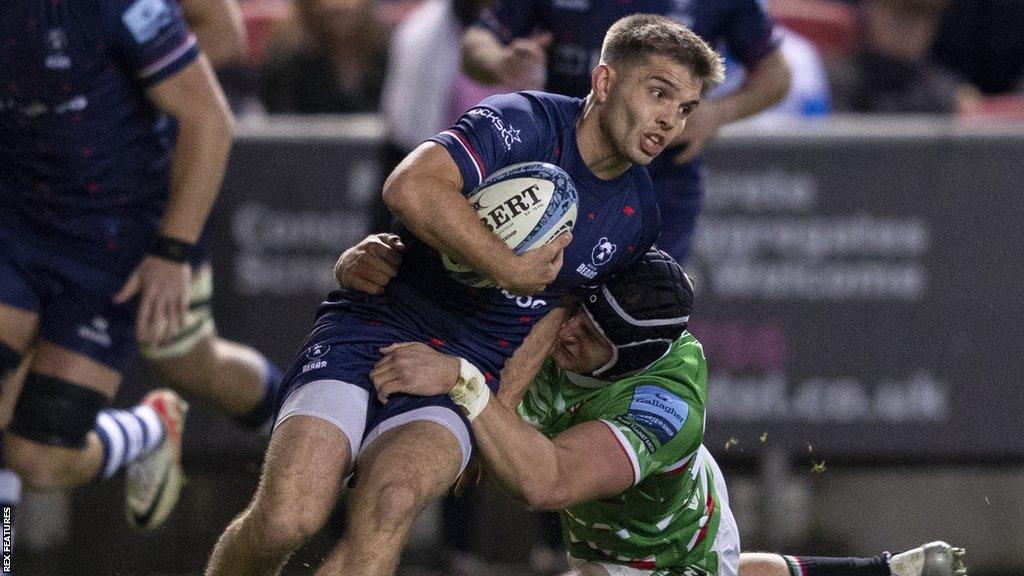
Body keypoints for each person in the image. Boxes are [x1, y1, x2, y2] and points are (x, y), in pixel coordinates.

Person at [204, 14, 725, 576]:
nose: (670, 120)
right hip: (377, 323)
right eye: (660, 94)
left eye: (686, 108)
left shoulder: (640, 214)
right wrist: (510, 268)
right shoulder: (520, 121)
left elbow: (559, 312)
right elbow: (409, 185)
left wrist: (496, 411)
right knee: (288, 519)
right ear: (603, 83)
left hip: (467, 367)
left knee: (390, 503)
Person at [354, 245, 968, 576]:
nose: (569, 337)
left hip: (655, 550)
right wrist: (372, 260)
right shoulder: (563, 312)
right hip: (684, 513)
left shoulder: (665, 405)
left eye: (592, 336)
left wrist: (466, 383)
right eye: (577, 314)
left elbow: (547, 482)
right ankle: (878, 573)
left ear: (630, 359)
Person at [0, 0, 232, 539]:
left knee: (38, 460)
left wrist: (172, 253)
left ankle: (151, 427)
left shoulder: (121, 7)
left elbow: (210, 118)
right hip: (13, 225)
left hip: (108, 242)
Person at [461, 0, 792, 263]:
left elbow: (776, 74)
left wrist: (716, 113)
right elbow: (478, 40)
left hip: (659, 184)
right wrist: (500, 61)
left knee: (629, 318)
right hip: (554, 170)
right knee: (525, 298)